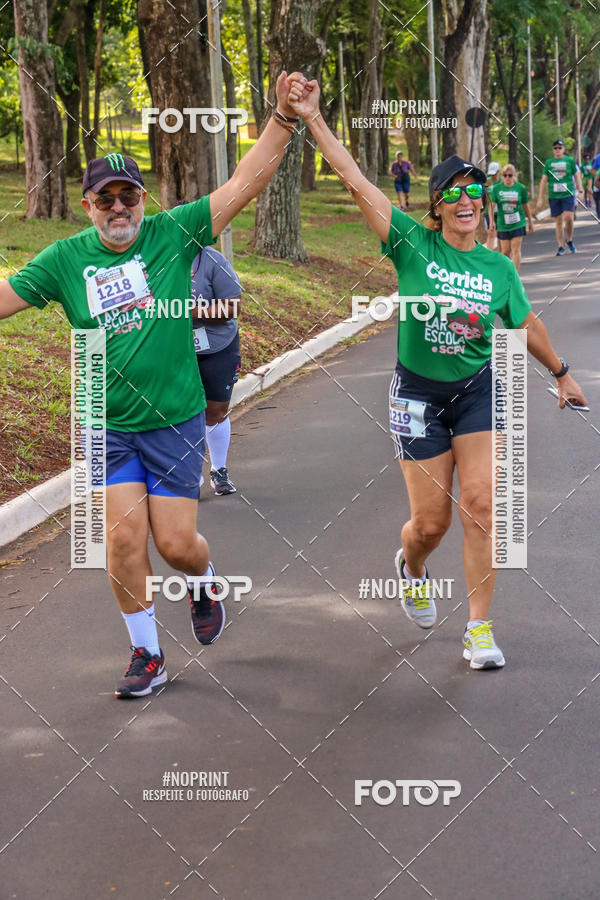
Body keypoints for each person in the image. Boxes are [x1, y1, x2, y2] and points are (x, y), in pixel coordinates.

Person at [0, 71, 301, 698]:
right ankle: (148, 655)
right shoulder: (64, 260)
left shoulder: (175, 232)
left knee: (175, 543)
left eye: (128, 197)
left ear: (144, 199)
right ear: (88, 206)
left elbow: (244, 183)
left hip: (174, 419)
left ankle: (204, 579)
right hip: (107, 424)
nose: (118, 209)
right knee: (121, 540)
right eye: (105, 199)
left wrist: (282, 117)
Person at [287, 73, 587, 670]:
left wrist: (562, 373)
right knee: (431, 523)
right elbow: (354, 178)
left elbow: (526, 326)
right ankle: (413, 566)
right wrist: (313, 117)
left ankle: (478, 629)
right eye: (453, 192)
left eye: (475, 190)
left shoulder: (499, 269)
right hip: (417, 394)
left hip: (478, 392)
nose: (468, 200)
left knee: (482, 501)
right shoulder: (411, 244)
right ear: (436, 204)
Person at [191, 246, 242, 495]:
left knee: (216, 410)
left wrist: (188, 312)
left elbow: (232, 308)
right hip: (174, 347)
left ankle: (218, 470)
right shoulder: (155, 257)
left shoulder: (212, 260)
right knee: (178, 410)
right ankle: (190, 475)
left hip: (218, 344)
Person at [535, 139, 583, 255]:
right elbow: (543, 180)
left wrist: (580, 190)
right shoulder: (549, 163)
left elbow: (577, 175)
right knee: (558, 221)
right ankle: (560, 246)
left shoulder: (569, 161)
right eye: (555, 148)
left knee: (569, 218)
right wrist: (540, 198)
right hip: (554, 195)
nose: (557, 150)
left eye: (560, 148)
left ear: (563, 149)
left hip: (567, 194)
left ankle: (569, 240)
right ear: (553, 150)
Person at [488, 164, 534, 271]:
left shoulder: (520, 188)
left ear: (513, 176)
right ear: (502, 176)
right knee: (505, 252)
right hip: (503, 225)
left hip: (518, 223)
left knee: (516, 250)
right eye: (505, 175)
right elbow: (491, 206)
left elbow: (526, 206)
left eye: (510, 175)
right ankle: (508, 273)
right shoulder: (497, 189)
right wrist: (491, 221)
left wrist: (530, 222)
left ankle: (515, 276)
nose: (507, 178)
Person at [484, 162, 500, 250]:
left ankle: (500, 256)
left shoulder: (504, 180)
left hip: (500, 212)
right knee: (491, 234)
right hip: (488, 211)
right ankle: (489, 255)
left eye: (494, 174)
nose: (492, 176)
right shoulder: (487, 182)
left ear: (498, 171)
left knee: (500, 235)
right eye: (491, 174)